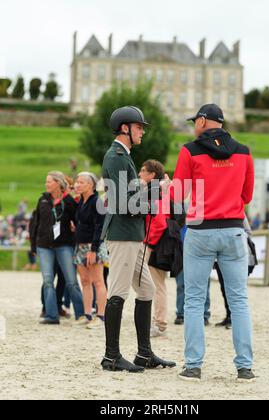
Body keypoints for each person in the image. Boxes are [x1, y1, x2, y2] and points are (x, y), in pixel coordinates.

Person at [167, 104, 255, 382]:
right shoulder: (243, 152)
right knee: (239, 300)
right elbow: (247, 195)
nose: (194, 125)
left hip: (200, 229)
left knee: (194, 300)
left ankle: (193, 365)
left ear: (204, 121)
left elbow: (179, 195)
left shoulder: (189, 150)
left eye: (196, 121)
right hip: (232, 229)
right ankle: (245, 367)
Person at [100, 106, 176, 373]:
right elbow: (125, 203)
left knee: (147, 289)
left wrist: (153, 190)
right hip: (123, 235)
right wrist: (158, 189)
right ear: (125, 128)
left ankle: (144, 354)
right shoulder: (117, 156)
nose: (142, 131)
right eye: (139, 127)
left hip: (133, 235)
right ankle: (111, 356)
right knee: (118, 292)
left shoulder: (126, 156)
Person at [30, 171, 84, 325]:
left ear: (58, 184)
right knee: (47, 281)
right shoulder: (42, 200)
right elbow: (35, 223)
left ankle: (81, 314)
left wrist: (76, 238)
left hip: (64, 245)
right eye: (46, 181)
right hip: (44, 246)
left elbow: (78, 222)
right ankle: (51, 315)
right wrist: (33, 244)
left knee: (71, 281)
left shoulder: (69, 202)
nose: (46, 184)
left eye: (49, 182)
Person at [139, 160, 170, 338]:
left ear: (152, 175)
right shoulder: (154, 191)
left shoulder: (154, 192)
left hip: (154, 243)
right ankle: (157, 321)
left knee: (156, 285)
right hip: (153, 241)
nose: (140, 174)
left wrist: (149, 242)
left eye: (143, 171)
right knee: (155, 284)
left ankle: (160, 324)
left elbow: (159, 222)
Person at [73, 172, 108, 329]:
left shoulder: (97, 202)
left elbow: (100, 227)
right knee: (85, 281)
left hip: (93, 246)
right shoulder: (81, 201)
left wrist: (94, 249)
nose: (77, 184)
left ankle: (100, 316)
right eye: (77, 182)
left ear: (91, 185)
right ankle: (87, 313)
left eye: (81, 182)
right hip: (80, 245)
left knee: (98, 281)